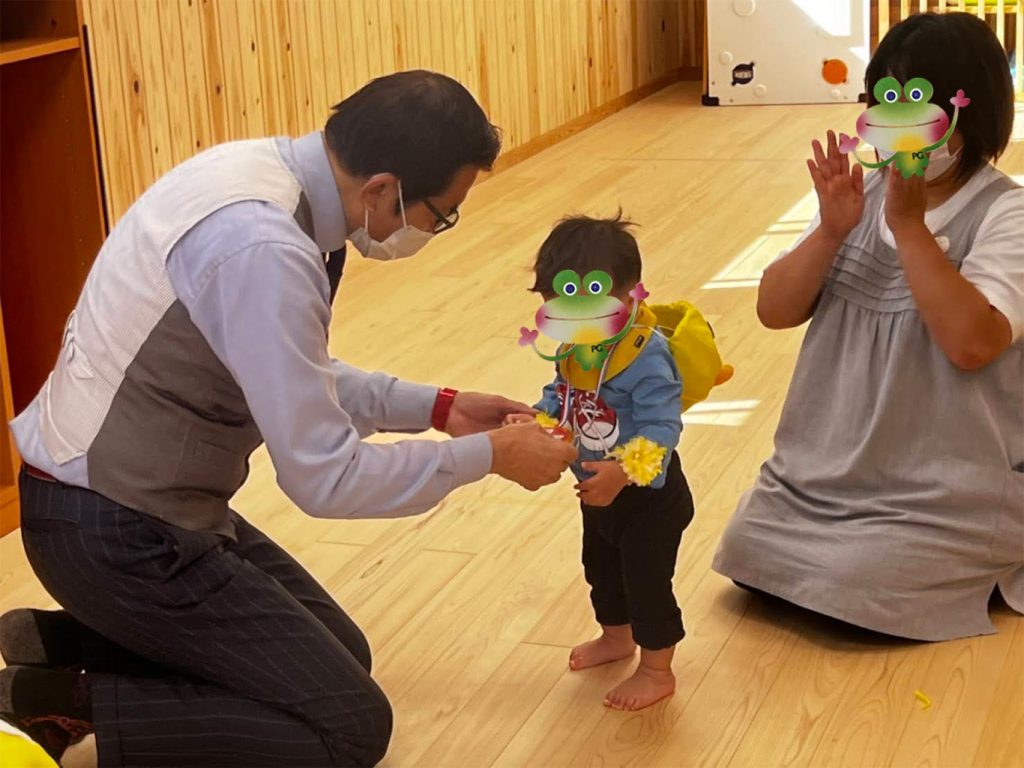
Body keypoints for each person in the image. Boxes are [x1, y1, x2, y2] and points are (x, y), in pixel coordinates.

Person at [0, 70, 576, 767]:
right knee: (346, 731)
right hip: (117, 532)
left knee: (343, 654)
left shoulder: (264, 177)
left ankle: (68, 644)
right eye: (438, 213)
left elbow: (286, 374)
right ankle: (70, 696)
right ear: (382, 189)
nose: (436, 229)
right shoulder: (263, 246)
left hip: (127, 505)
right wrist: (492, 457)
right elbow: (324, 478)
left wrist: (440, 408)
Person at [713, 13, 1023, 641]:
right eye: (887, 100)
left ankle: (986, 552)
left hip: (943, 486)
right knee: (747, 546)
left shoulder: (1007, 212)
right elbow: (773, 310)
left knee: (857, 582)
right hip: (823, 476)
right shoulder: (861, 196)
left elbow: (973, 344)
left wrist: (911, 229)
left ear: (973, 112)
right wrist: (830, 231)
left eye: (921, 104)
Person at [510, 214, 693, 710]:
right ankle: (616, 636)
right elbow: (561, 394)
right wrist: (537, 419)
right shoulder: (578, 345)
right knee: (601, 569)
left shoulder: (647, 356)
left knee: (646, 581)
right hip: (597, 491)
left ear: (631, 294)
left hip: (648, 499)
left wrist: (623, 472)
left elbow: (662, 429)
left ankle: (657, 670)